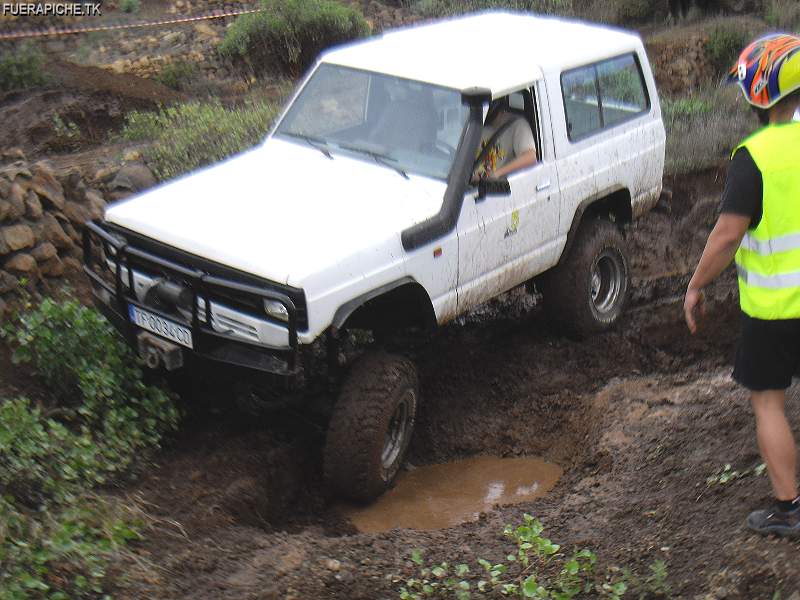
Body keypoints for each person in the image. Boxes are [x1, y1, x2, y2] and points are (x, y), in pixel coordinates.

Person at [684, 33, 800, 537]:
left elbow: (728, 234)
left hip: (774, 311)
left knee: (769, 404)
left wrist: (696, 285)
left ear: (759, 94)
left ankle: (789, 510)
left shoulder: (753, 157)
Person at [473, 96, 538, 181]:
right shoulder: (475, 126)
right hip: (472, 184)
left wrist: (496, 174)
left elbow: (530, 158)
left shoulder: (518, 125)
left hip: (499, 185)